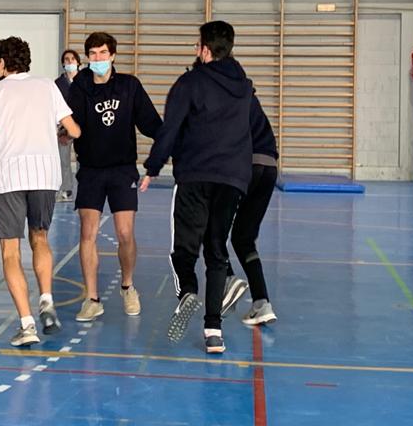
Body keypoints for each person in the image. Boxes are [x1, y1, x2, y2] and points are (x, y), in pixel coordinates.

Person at [0, 36, 81, 347]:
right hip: (45, 175)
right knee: (39, 237)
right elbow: (76, 129)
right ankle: (47, 299)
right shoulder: (47, 86)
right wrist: (56, 132)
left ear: (2, 63)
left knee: (10, 251)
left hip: (11, 177)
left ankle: (27, 324)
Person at [140, 21, 252, 355]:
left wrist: (152, 167)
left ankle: (188, 291)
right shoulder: (244, 86)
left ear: (204, 49)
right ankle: (213, 330)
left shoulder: (190, 83)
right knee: (217, 251)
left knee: (183, 249)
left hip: (194, 176)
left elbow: (170, 129)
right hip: (232, 178)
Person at [67, 32, 161, 322]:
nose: (98, 59)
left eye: (103, 53)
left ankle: (128, 286)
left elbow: (152, 124)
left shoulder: (129, 86)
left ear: (113, 55)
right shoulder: (79, 87)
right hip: (91, 170)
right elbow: (72, 124)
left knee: (124, 233)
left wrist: (169, 147)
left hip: (122, 169)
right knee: (87, 233)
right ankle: (92, 298)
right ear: (87, 58)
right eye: (93, 54)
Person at [221, 92, 279, 326]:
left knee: (210, 227)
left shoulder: (220, 93)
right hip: (269, 167)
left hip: (245, 165)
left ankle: (227, 279)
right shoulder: (246, 92)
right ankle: (261, 302)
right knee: (243, 238)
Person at [55, 49, 80, 202]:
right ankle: (66, 190)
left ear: (78, 62)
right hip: (64, 127)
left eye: (72, 59)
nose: (70, 61)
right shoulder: (58, 84)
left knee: (83, 159)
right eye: (66, 59)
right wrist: (63, 130)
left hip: (83, 127)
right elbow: (55, 107)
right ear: (63, 64)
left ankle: (85, 188)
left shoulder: (85, 80)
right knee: (63, 160)